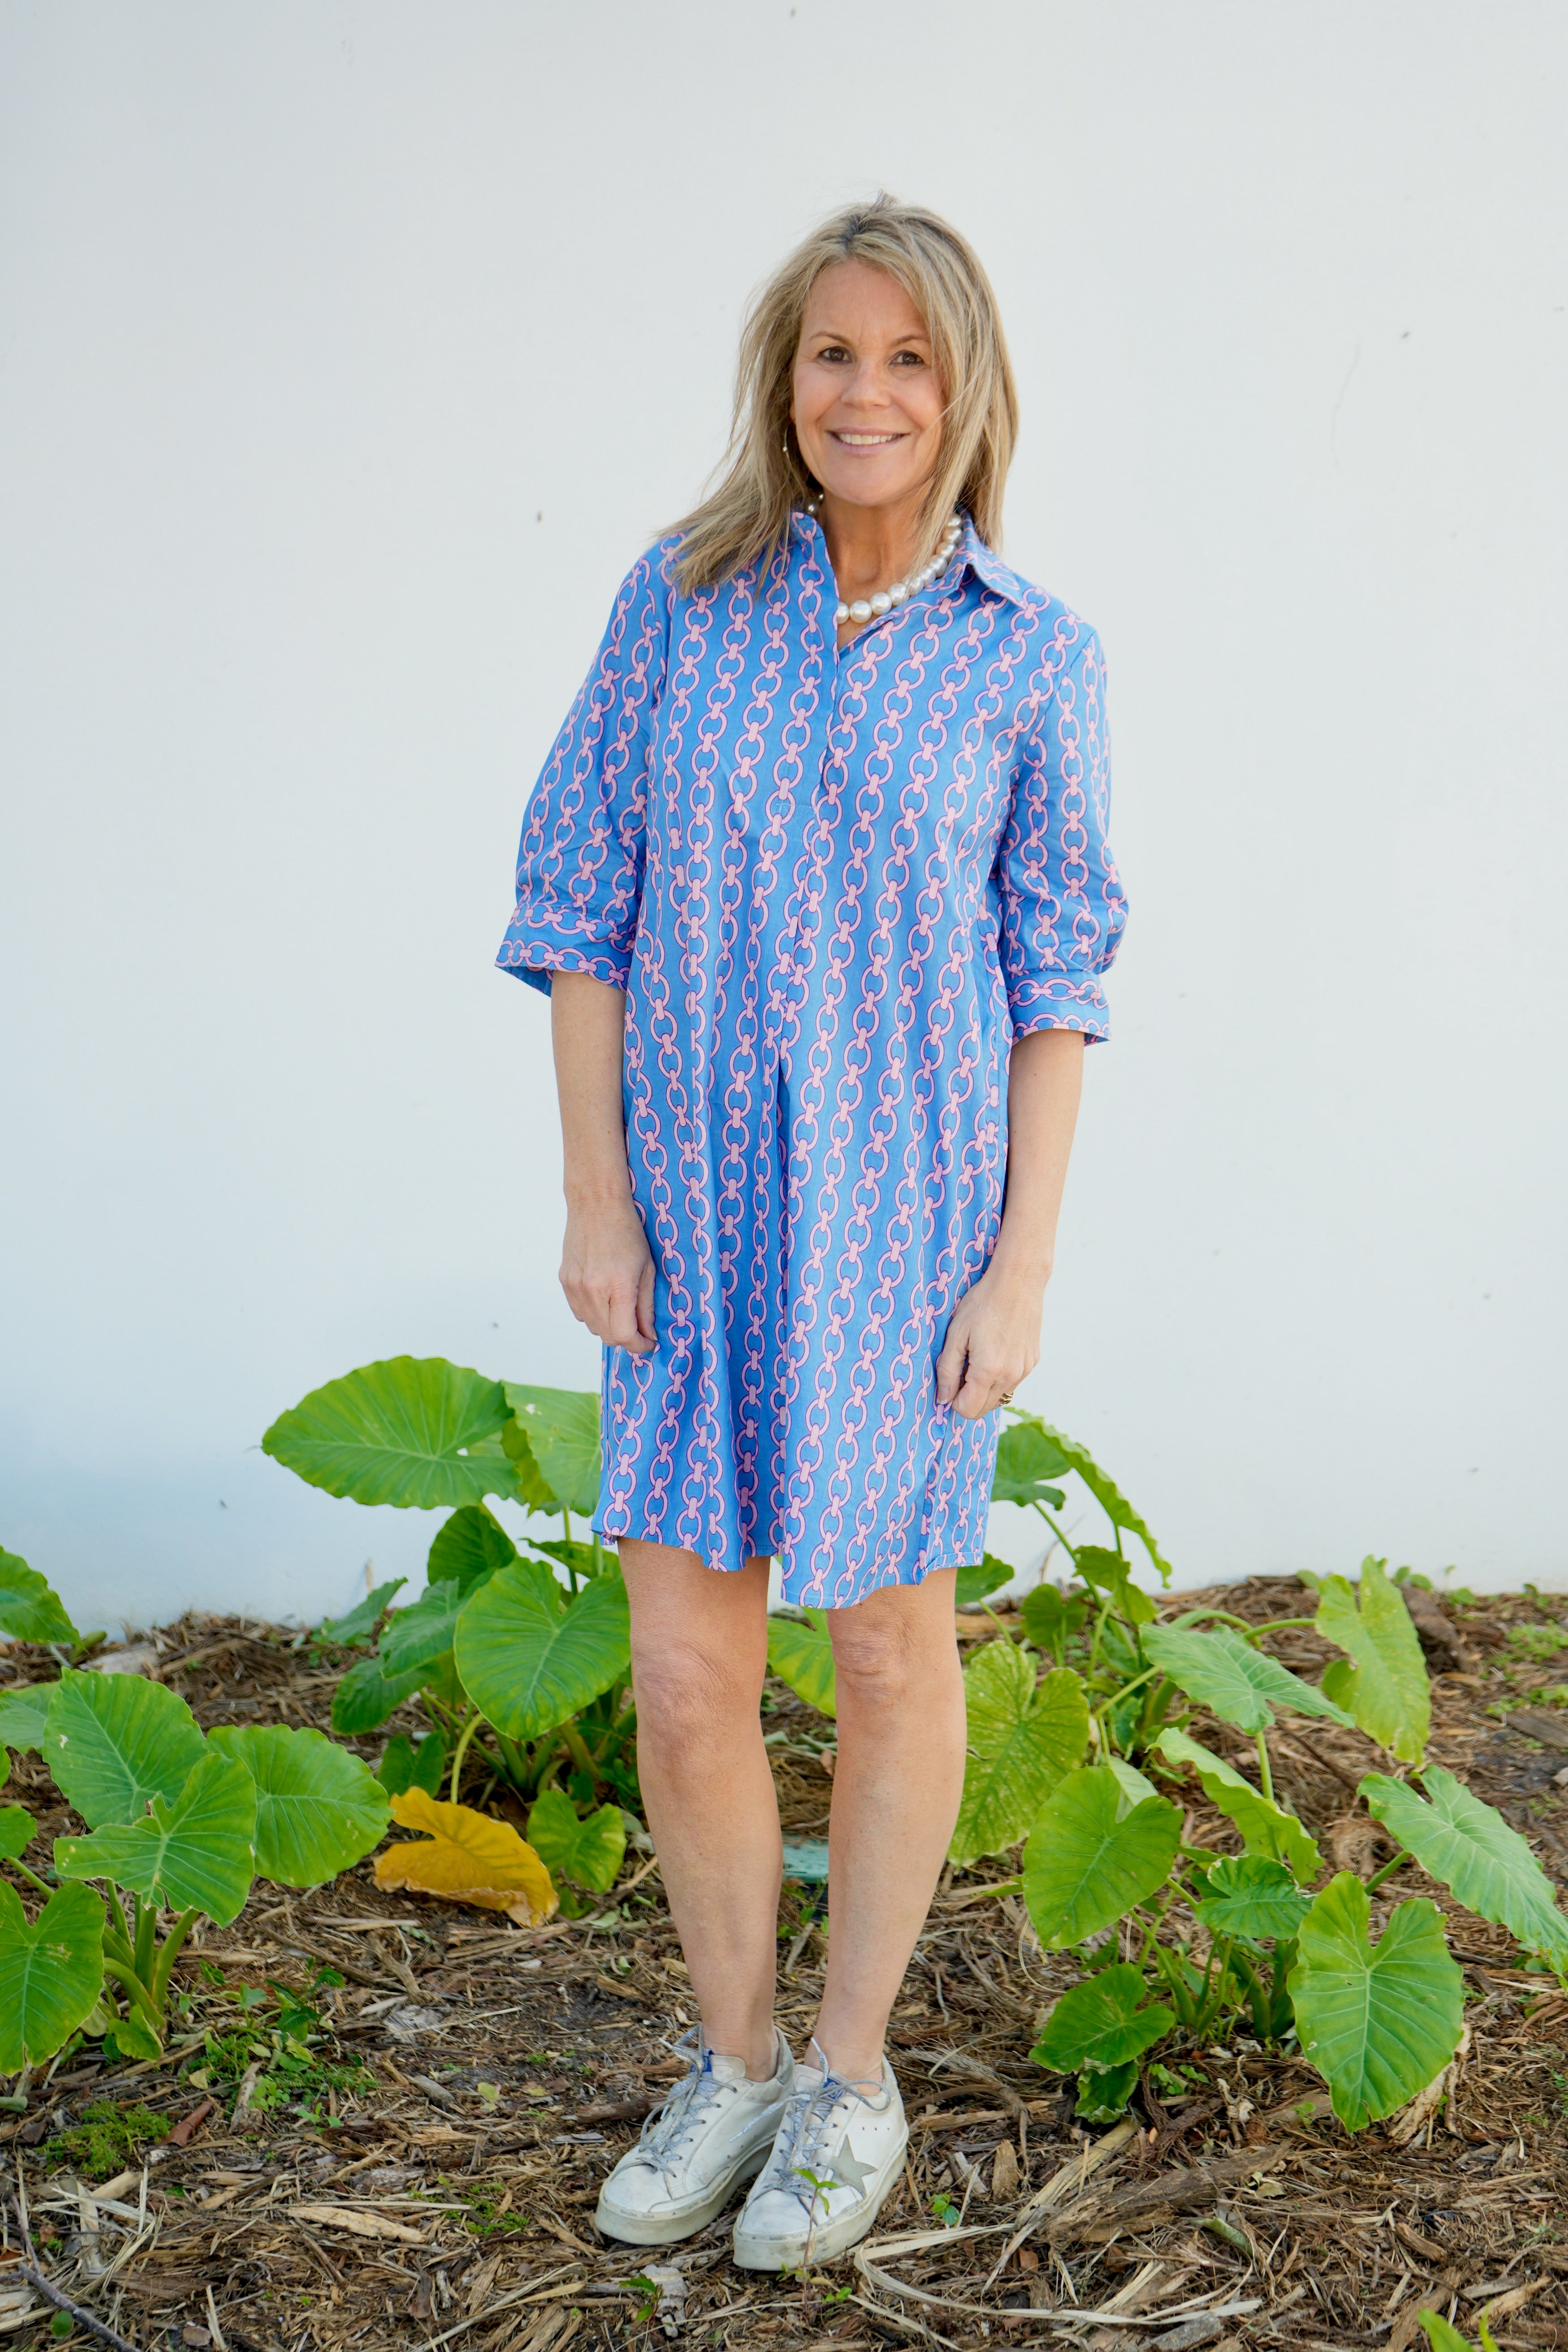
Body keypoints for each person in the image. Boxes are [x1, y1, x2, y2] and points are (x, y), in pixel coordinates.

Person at [496, 195, 1124, 2267]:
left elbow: (1054, 980)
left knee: (881, 1647)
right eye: (832, 352)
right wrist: (595, 1196)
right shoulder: (677, 605)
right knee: (685, 1673)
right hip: (684, 1222)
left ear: (964, 393)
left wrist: (1018, 1265)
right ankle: (737, 2056)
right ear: (784, 381)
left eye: (907, 358)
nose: (866, 392)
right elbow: (577, 907)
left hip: (903, 1232)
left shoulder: (1030, 657)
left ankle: (851, 2073)